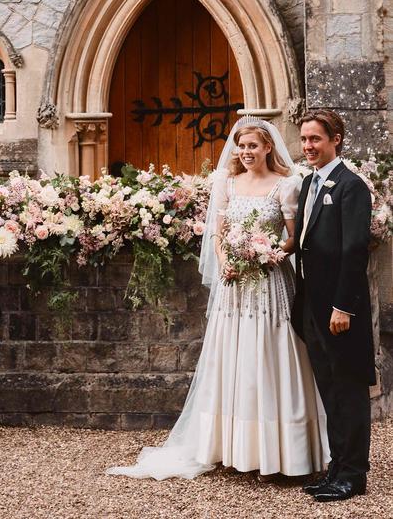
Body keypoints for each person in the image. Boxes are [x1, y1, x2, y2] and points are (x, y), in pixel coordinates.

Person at [107, 116, 327, 481]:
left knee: (271, 358)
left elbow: (293, 237)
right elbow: (217, 235)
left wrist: (267, 254)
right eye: (241, 146)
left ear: (268, 147)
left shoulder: (286, 186)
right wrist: (228, 262)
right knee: (234, 358)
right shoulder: (227, 182)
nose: (246, 152)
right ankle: (231, 447)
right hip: (234, 287)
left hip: (270, 283)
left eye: (253, 146)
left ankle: (281, 451)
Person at [292, 109, 375, 502]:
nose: (308, 146)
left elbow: (355, 250)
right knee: (329, 390)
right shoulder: (309, 183)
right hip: (313, 306)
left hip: (341, 312)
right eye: (304, 139)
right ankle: (336, 467)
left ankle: (354, 475)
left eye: (315, 139)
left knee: (349, 390)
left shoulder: (351, 186)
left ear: (336, 139)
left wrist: (343, 306)